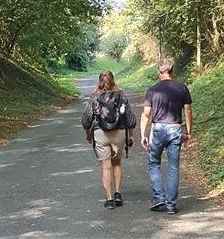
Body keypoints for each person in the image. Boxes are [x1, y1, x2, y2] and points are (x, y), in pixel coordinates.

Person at [140, 58, 193, 215]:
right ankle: (171, 205)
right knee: (173, 167)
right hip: (175, 129)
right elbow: (188, 111)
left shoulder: (152, 90)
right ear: (172, 71)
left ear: (159, 72)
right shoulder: (182, 88)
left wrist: (143, 134)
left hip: (157, 129)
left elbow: (145, 115)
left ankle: (159, 197)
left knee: (153, 163)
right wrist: (188, 132)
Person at [81, 70, 136, 210]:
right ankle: (117, 194)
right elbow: (130, 119)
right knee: (116, 163)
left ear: (99, 81)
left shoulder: (94, 97)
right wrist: (130, 135)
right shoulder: (121, 96)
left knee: (106, 166)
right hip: (119, 132)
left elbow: (86, 120)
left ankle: (109, 199)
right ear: (113, 80)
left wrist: (88, 133)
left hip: (100, 133)